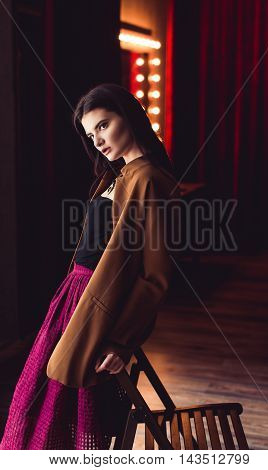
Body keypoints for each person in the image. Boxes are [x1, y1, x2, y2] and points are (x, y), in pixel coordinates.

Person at [0, 83, 180, 450]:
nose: (97, 140)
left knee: (70, 406)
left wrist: (121, 340)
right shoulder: (119, 175)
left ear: (128, 116)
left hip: (97, 302)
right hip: (76, 295)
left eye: (102, 125)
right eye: (90, 133)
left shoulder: (147, 177)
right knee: (45, 400)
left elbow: (155, 276)